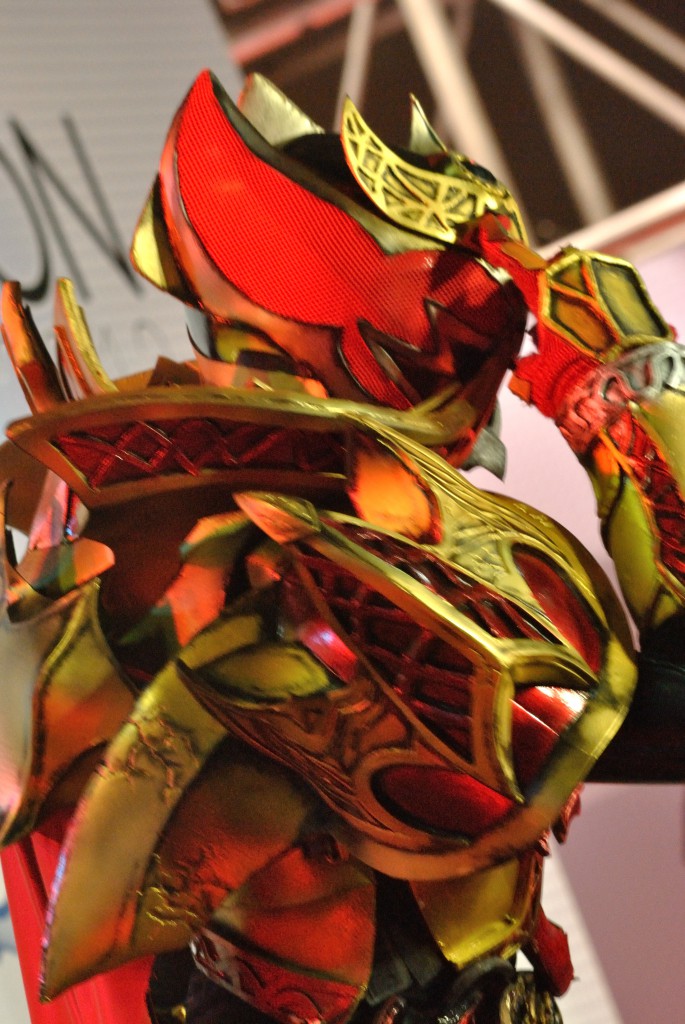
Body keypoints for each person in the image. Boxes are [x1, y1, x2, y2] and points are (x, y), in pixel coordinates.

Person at [0, 69, 683, 1024]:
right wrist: (626, 386)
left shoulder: (223, 498)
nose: (502, 318)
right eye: (463, 289)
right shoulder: (288, 533)